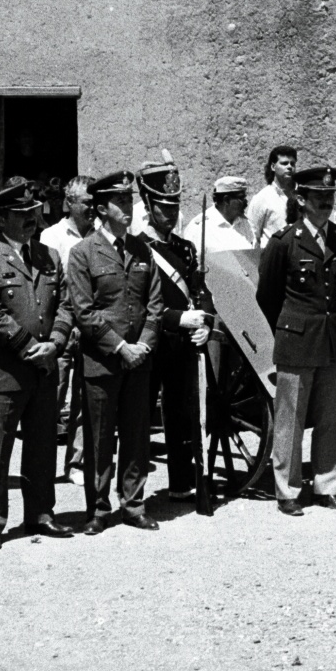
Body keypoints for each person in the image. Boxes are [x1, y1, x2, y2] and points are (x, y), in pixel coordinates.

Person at [0, 178, 73, 549]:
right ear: (2, 216)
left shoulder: (49, 256)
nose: (33, 219)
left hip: (45, 370)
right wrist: (31, 346)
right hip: (4, 372)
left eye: (34, 212)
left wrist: (56, 343)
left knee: (43, 446)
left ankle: (41, 514)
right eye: (23, 214)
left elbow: (65, 305)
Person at [255, 164, 336, 515]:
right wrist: (289, 329)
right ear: (301, 198)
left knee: (331, 417)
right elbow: (267, 296)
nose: (326, 202)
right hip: (297, 341)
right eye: (319, 197)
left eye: (330, 197)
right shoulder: (284, 242)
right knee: (290, 420)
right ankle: (287, 490)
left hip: (333, 341)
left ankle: (327, 485)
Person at [64, 171, 163, 532]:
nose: (128, 208)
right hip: (102, 361)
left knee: (137, 435)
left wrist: (144, 345)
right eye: (120, 202)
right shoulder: (82, 253)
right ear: (102, 209)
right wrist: (121, 347)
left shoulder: (142, 250)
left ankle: (134, 504)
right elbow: (83, 310)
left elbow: (154, 304)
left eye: (129, 200)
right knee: (99, 437)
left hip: (139, 360)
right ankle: (98, 509)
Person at [139, 163, 214, 507]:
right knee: (141, 419)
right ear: (148, 205)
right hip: (153, 342)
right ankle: (134, 494)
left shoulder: (185, 248)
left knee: (184, 416)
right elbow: (137, 305)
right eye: (163, 208)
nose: (170, 214)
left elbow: (202, 292)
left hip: (184, 345)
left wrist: (206, 323)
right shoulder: (138, 249)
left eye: (174, 207)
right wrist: (178, 318)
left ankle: (183, 483)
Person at [42, 176, 99, 485]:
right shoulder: (51, 237)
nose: (91, 208)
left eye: (94, 202)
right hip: (60, 328)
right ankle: (43, 462)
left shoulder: (101, 236)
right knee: (52, 394)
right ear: (69, 204)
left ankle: (76, 462)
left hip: (92, 327)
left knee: (85, 398)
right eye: (85, 203)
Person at [181, 176, 255, 253]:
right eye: (241, 198)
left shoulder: (245, 224)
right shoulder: (200, 228)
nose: (246, 202)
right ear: (226, 200)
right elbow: (193, 262)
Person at [247, 145, 298, 249]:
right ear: (273, 167)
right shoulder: (262, 198)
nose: (289, 167)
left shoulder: (302, 195)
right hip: (273, 258)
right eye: (284, 163)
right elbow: (253, 235)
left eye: (292, 164)